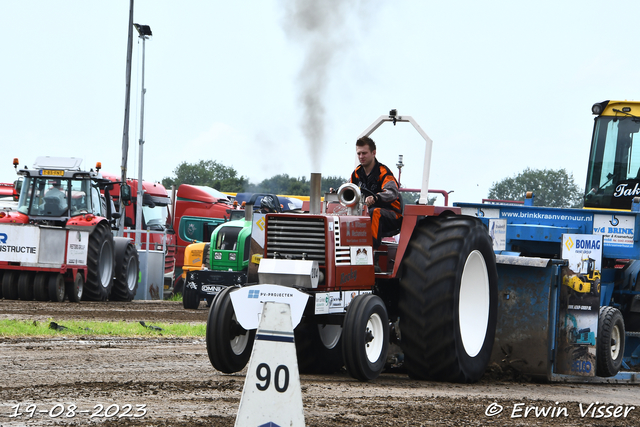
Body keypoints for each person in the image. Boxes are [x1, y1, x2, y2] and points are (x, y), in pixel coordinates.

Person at [350, 136, 402, 248]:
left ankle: (370, 249)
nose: (361, 156)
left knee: (374, 212)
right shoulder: (356, 173)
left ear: (373, 153)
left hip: (392, 214)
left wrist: (376, 197)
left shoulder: (383, 172)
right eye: (358, 153)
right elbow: (349, 189)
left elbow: (392, 192)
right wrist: (337, 192)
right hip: (366, 212)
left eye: (364, 153)